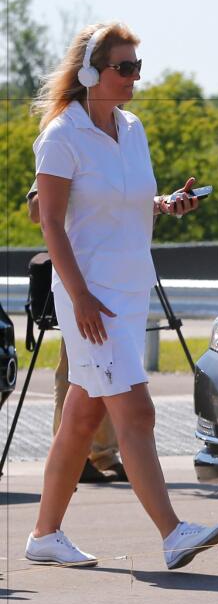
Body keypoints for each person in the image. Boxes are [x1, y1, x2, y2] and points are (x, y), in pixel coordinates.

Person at [24, 22, 218, 570]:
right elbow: (52, 224)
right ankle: (172, 532)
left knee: (82, 418)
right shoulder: (62, 136)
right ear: (92, 72)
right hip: (91, 300)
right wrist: (80, 295)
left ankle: (44, 534)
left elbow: (126, 200)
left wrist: (165, 204)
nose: (136, 76)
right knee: (136, 411)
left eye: (138, 66)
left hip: (129, 289)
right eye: (125, 67)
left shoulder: (132, 128)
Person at [26, 184, 126, 484]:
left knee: (118, 367)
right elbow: (36, 211)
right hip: (79, 273)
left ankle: (103, 453)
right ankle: (72, 454)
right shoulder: (64, 141)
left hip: (119, 271)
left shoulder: (123, 141)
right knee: (76, 370)